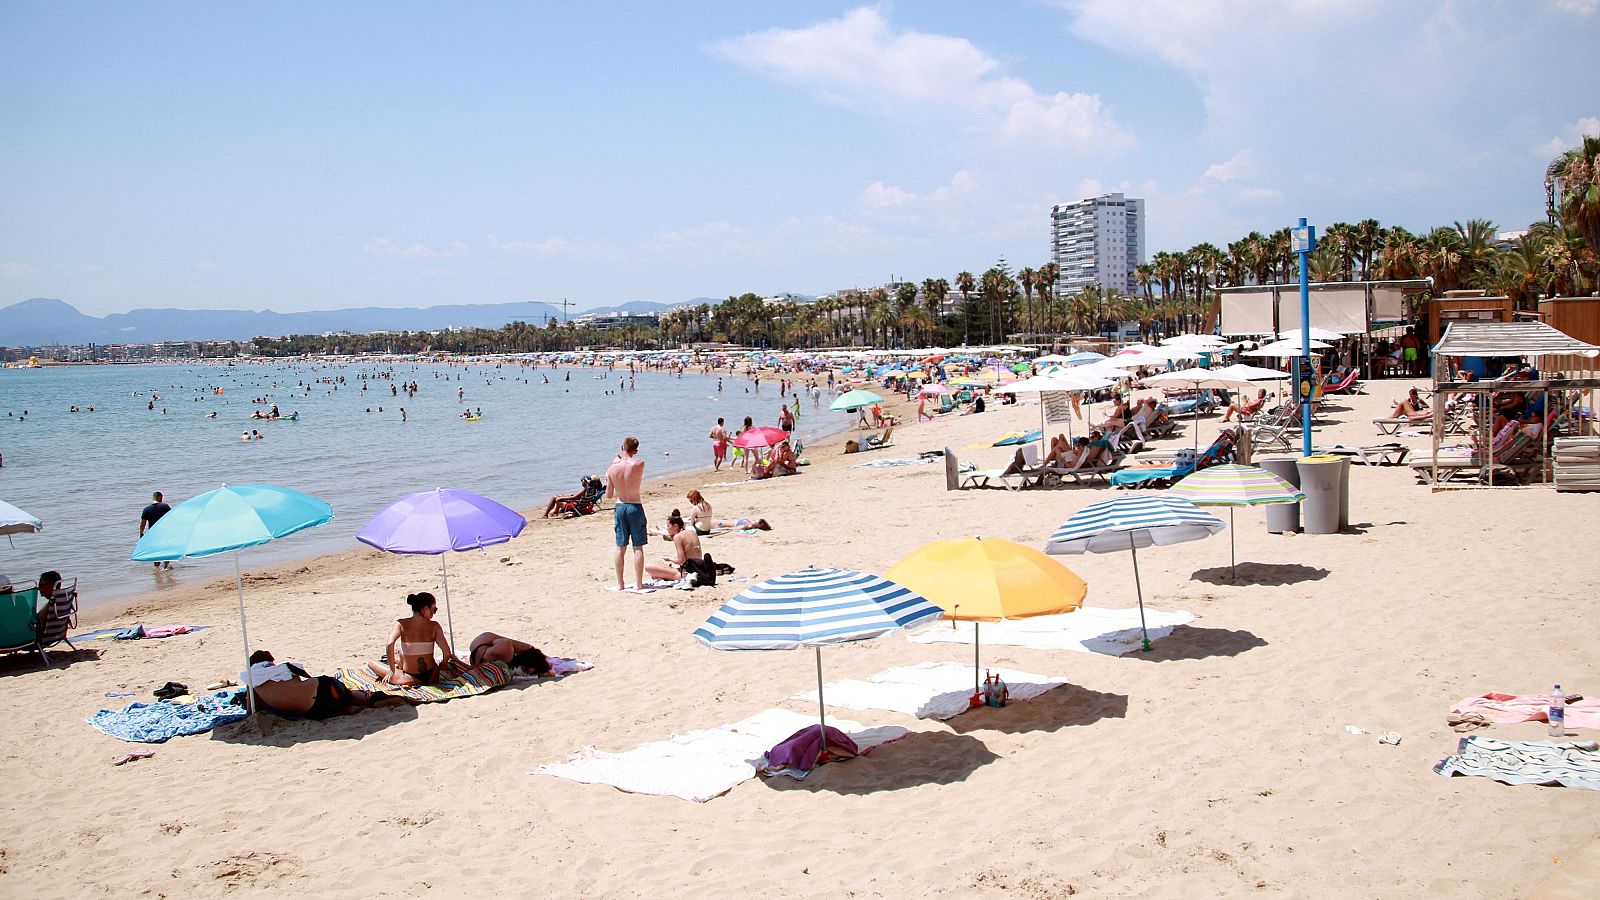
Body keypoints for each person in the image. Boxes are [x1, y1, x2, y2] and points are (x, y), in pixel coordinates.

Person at [245, 650, 385, 719]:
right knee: (346, 694)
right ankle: (371, 699)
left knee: (338, 705)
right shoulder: (285, 668)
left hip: (314, 709)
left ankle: (349, 708)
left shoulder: (251, 679)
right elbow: (303, 679)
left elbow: (252, 710)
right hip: (324, 687)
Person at [367, 592, 461, 686]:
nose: (434, 613)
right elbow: (447, 653)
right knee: (402, 653)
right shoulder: (435, 626)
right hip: (432, 676)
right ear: (425, 609)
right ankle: (397, 660)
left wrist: (392, 670)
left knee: (371, 663)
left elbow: (389, 644)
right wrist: (444, 664)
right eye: (434, 609)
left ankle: (396, 662)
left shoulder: (401, 624)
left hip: (410, 678)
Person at [606, 436, 647, 591]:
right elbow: (630, 459)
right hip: (635, 505)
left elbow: (609, 495)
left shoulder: (612, 468)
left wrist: (610, 472)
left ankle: (621, 584)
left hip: (620, 506)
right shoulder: (639, 464)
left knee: (620, 547)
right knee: (638, 547)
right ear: (635, 450)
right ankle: (638, 583)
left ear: (622, 447)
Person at [645, 510, 704, 582]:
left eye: (668, 526)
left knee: (649, 567)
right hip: (700, 568)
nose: (667, 528)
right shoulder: (692, 532)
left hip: (688, 572)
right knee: (658, 572)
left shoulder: (678, 537)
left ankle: (667, 576)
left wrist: (669, 559)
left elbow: (681, 561)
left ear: (675, 526)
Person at [683, 489, 770, 534]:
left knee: (695, 523)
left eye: (756, 521)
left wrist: (727, 529)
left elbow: (735, 528)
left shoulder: (748, 524)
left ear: (758, 525)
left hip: (721, 524)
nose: (754, 520)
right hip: (722, 522)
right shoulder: (749, 522)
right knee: (701, 521)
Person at [466, 632, 552, 675]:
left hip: (477, 654)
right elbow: (501, 642)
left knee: (524, 647)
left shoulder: (507, 653)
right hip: (482, 649)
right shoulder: (507, 653)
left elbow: (499, 641)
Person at [139, 492, 173, 569]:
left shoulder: (146, 509)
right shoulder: (165, 506)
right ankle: (166, 566)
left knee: (155, 550)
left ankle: (157, 568)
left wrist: (141, 534)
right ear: (159, 497)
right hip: (164, 531)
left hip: (153, 533)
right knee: (166, 549)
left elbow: (143, 524)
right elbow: (171, 518)